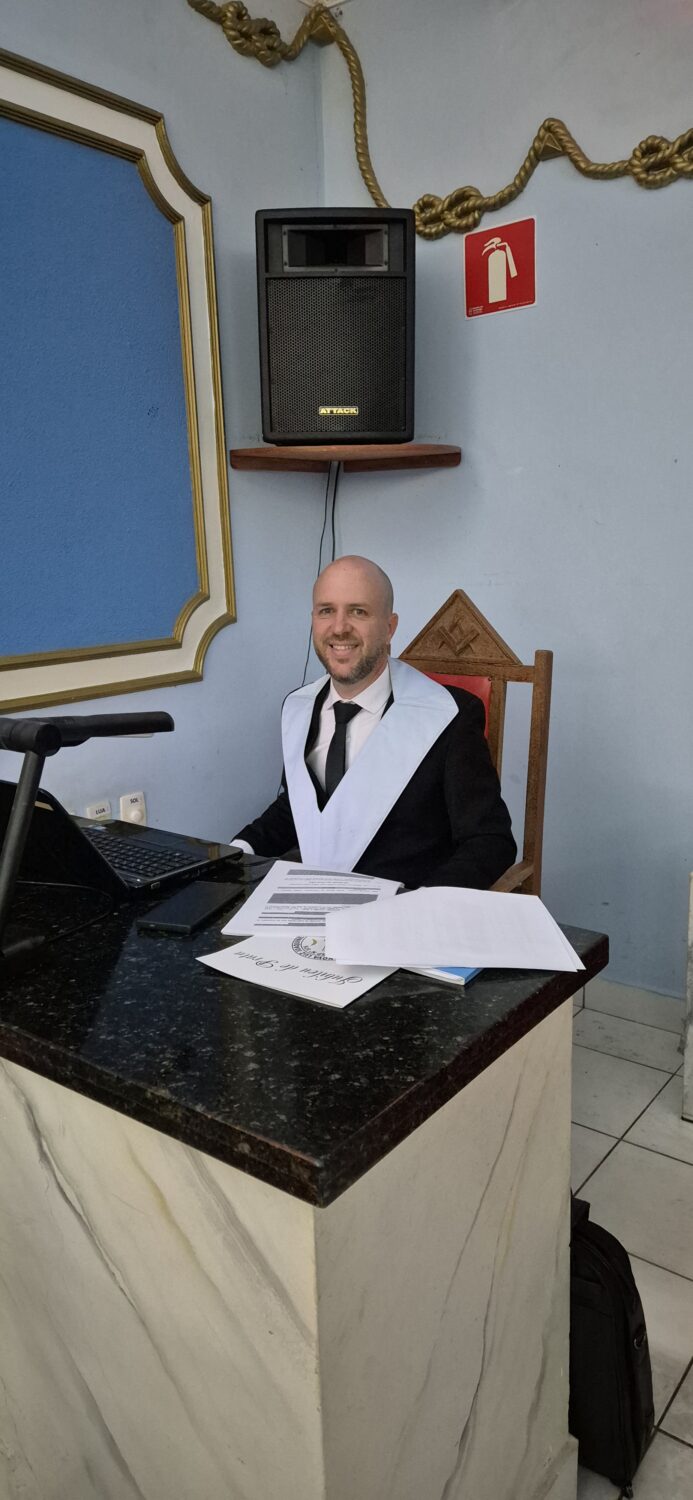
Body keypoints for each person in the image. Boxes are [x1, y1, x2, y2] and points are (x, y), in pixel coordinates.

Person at [233, 555, 516, 888]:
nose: (339, 627)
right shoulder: (297, 707)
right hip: (313, 900)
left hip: (404, 907)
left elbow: (489, 841)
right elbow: (300, 807)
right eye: (326, 610)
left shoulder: (450, 716)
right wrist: (236, 852)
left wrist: (423, 903)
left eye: (358, 611)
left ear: (389, 627)